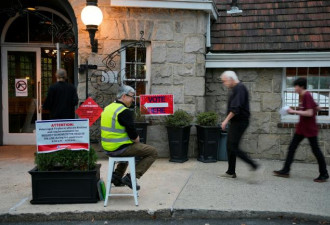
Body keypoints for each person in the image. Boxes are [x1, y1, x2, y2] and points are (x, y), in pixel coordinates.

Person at [101, 85, 158, 190]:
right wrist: (137, 141)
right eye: (132, 96)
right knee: (152, 152)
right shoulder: (124, 111)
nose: (133, 99)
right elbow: (133, 136)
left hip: (107, 147)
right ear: (124, 96)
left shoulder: (107, 108)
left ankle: (117, 176)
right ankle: (131, 178)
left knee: (130, 147)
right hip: (119, 148)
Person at [274, 78, 329, 182]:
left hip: (309, 129)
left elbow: (309, 113)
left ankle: (324, 173)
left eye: (296, 86)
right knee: (292, 147)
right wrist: (296, 110)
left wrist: (293, 111)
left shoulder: (307, 95)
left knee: (316, 151)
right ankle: (285, 170)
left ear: (301, 86)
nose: (295, 88)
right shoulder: (303, 96)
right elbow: (316, 107)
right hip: (302, 128)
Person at [220, 71, 259, 178]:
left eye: (225, 81)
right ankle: (231, 172)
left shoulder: (239, 88)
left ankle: (254, 166)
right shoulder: (235, 89)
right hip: (236, 122)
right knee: (229, 146)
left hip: (240, 122)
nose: (224, 84)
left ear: (231, 79)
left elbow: (235, 108)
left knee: (233, 147)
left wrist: (225, 121)